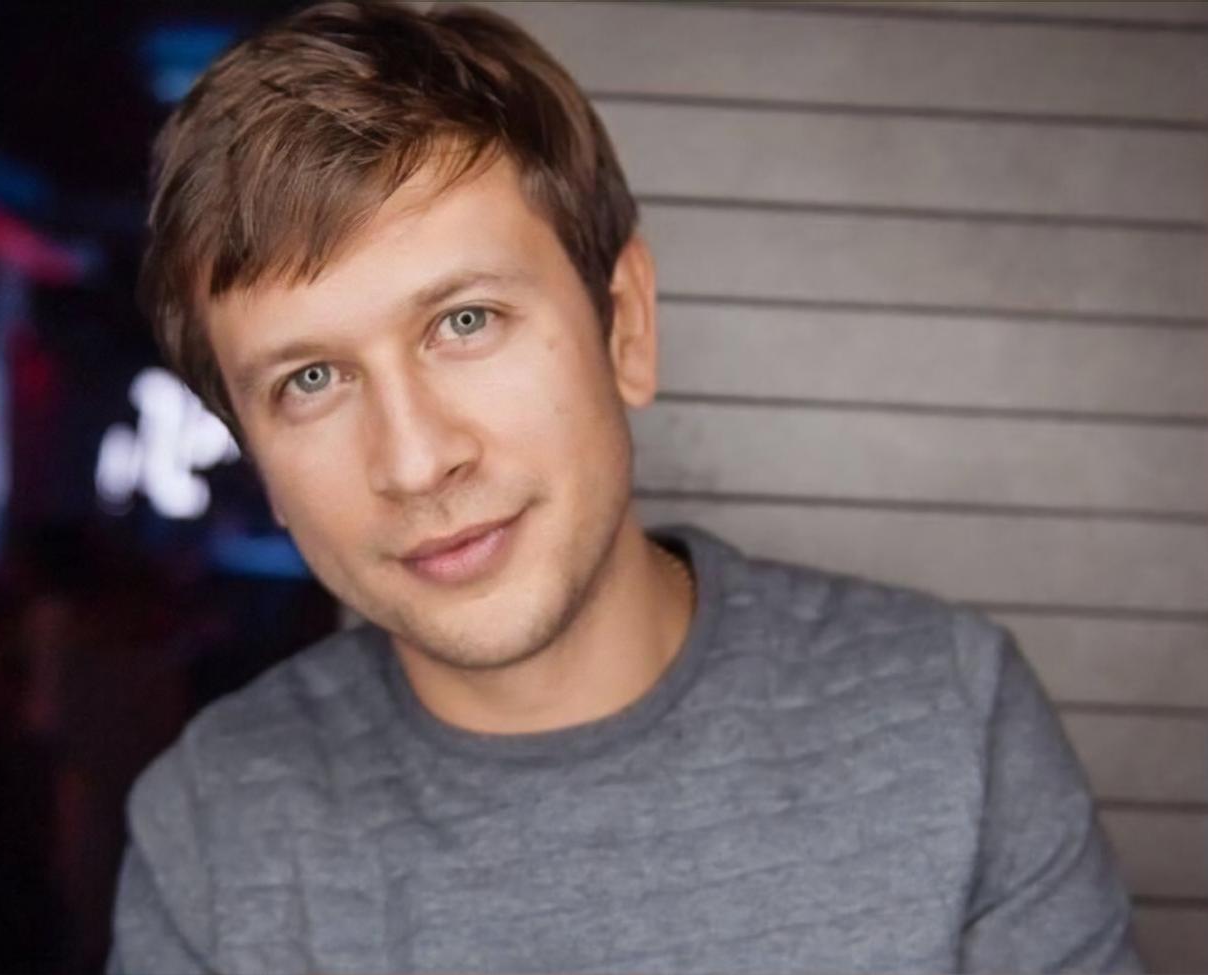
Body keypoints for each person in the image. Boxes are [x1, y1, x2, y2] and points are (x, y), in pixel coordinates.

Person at [107, 2, 1141, 972]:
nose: (416, 461)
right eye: (311, 381)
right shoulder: (210, 831)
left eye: (465, 321)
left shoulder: (951, 717)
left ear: (626, 327)